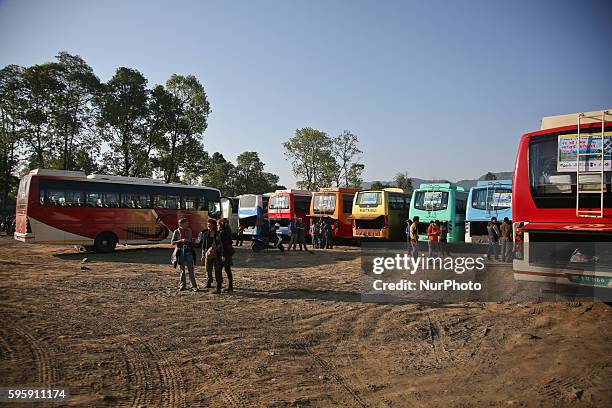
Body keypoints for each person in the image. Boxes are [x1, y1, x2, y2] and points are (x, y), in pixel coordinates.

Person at [171, 218, 198, 292]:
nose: (188, 224)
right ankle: (182, 285)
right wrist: (181, 240)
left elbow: (190, 240)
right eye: (186, 223)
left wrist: (192, 241)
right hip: (180, 251)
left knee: (191, 269)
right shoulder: (176, 231)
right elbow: (172, 242)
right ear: (181, 224)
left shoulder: (189, 230)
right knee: (182, 269)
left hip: (188, 250)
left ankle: (194, 286)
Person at [214, 218, 234, 293]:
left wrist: (223, 255)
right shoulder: (227, 231)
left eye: (218, 225)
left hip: (222, 254)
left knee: (218, 271)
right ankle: (230, 286)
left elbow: (223, 245)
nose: (217, 226)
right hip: (226, 253)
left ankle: (218, 288)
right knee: (227, 270)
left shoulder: (222, 233)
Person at [196, 219, 217, 288]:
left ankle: (218, 282)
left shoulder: (218, 233)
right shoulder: (205, 234)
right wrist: (203, 255)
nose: (208, 225)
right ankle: (209, 282)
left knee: (217, 269)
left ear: (214, 225)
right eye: (208, 224)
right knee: (208, 269)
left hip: (217, 253)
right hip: (207, 254)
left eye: (210, 224)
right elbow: (203, 245)